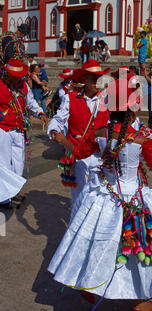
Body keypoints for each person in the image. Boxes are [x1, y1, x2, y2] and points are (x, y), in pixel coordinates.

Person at [48, 78, 152, 311]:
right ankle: (137, 303)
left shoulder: (99, 133)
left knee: (99, 241)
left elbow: (80, 153)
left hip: (104, 196)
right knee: (137, 247)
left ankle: (90, 286)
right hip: (135, 198)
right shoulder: (141, 138)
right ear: (134, 109)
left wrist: (62, 140)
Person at [47, 60, 110, 220]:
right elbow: (59, 118)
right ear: (84, 80)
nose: (97, 82)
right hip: (76, 153)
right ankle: (77, 230)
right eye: (93, 78)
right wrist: (54, 130)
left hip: (98, 155)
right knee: (79, 197)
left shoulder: (106, 99)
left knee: (99, 195)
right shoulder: (71, 97)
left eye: (99, 78)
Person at [0, 59, 48, 209]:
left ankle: (13, 191)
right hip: (2, 129)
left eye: (18, 75)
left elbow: (31, 102)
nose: (15, 78)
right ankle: (4, 198)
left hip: (19, 129)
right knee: (4, 163)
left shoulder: (23, 85)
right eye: (13, 75)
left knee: (18, 163)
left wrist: (40, 112)